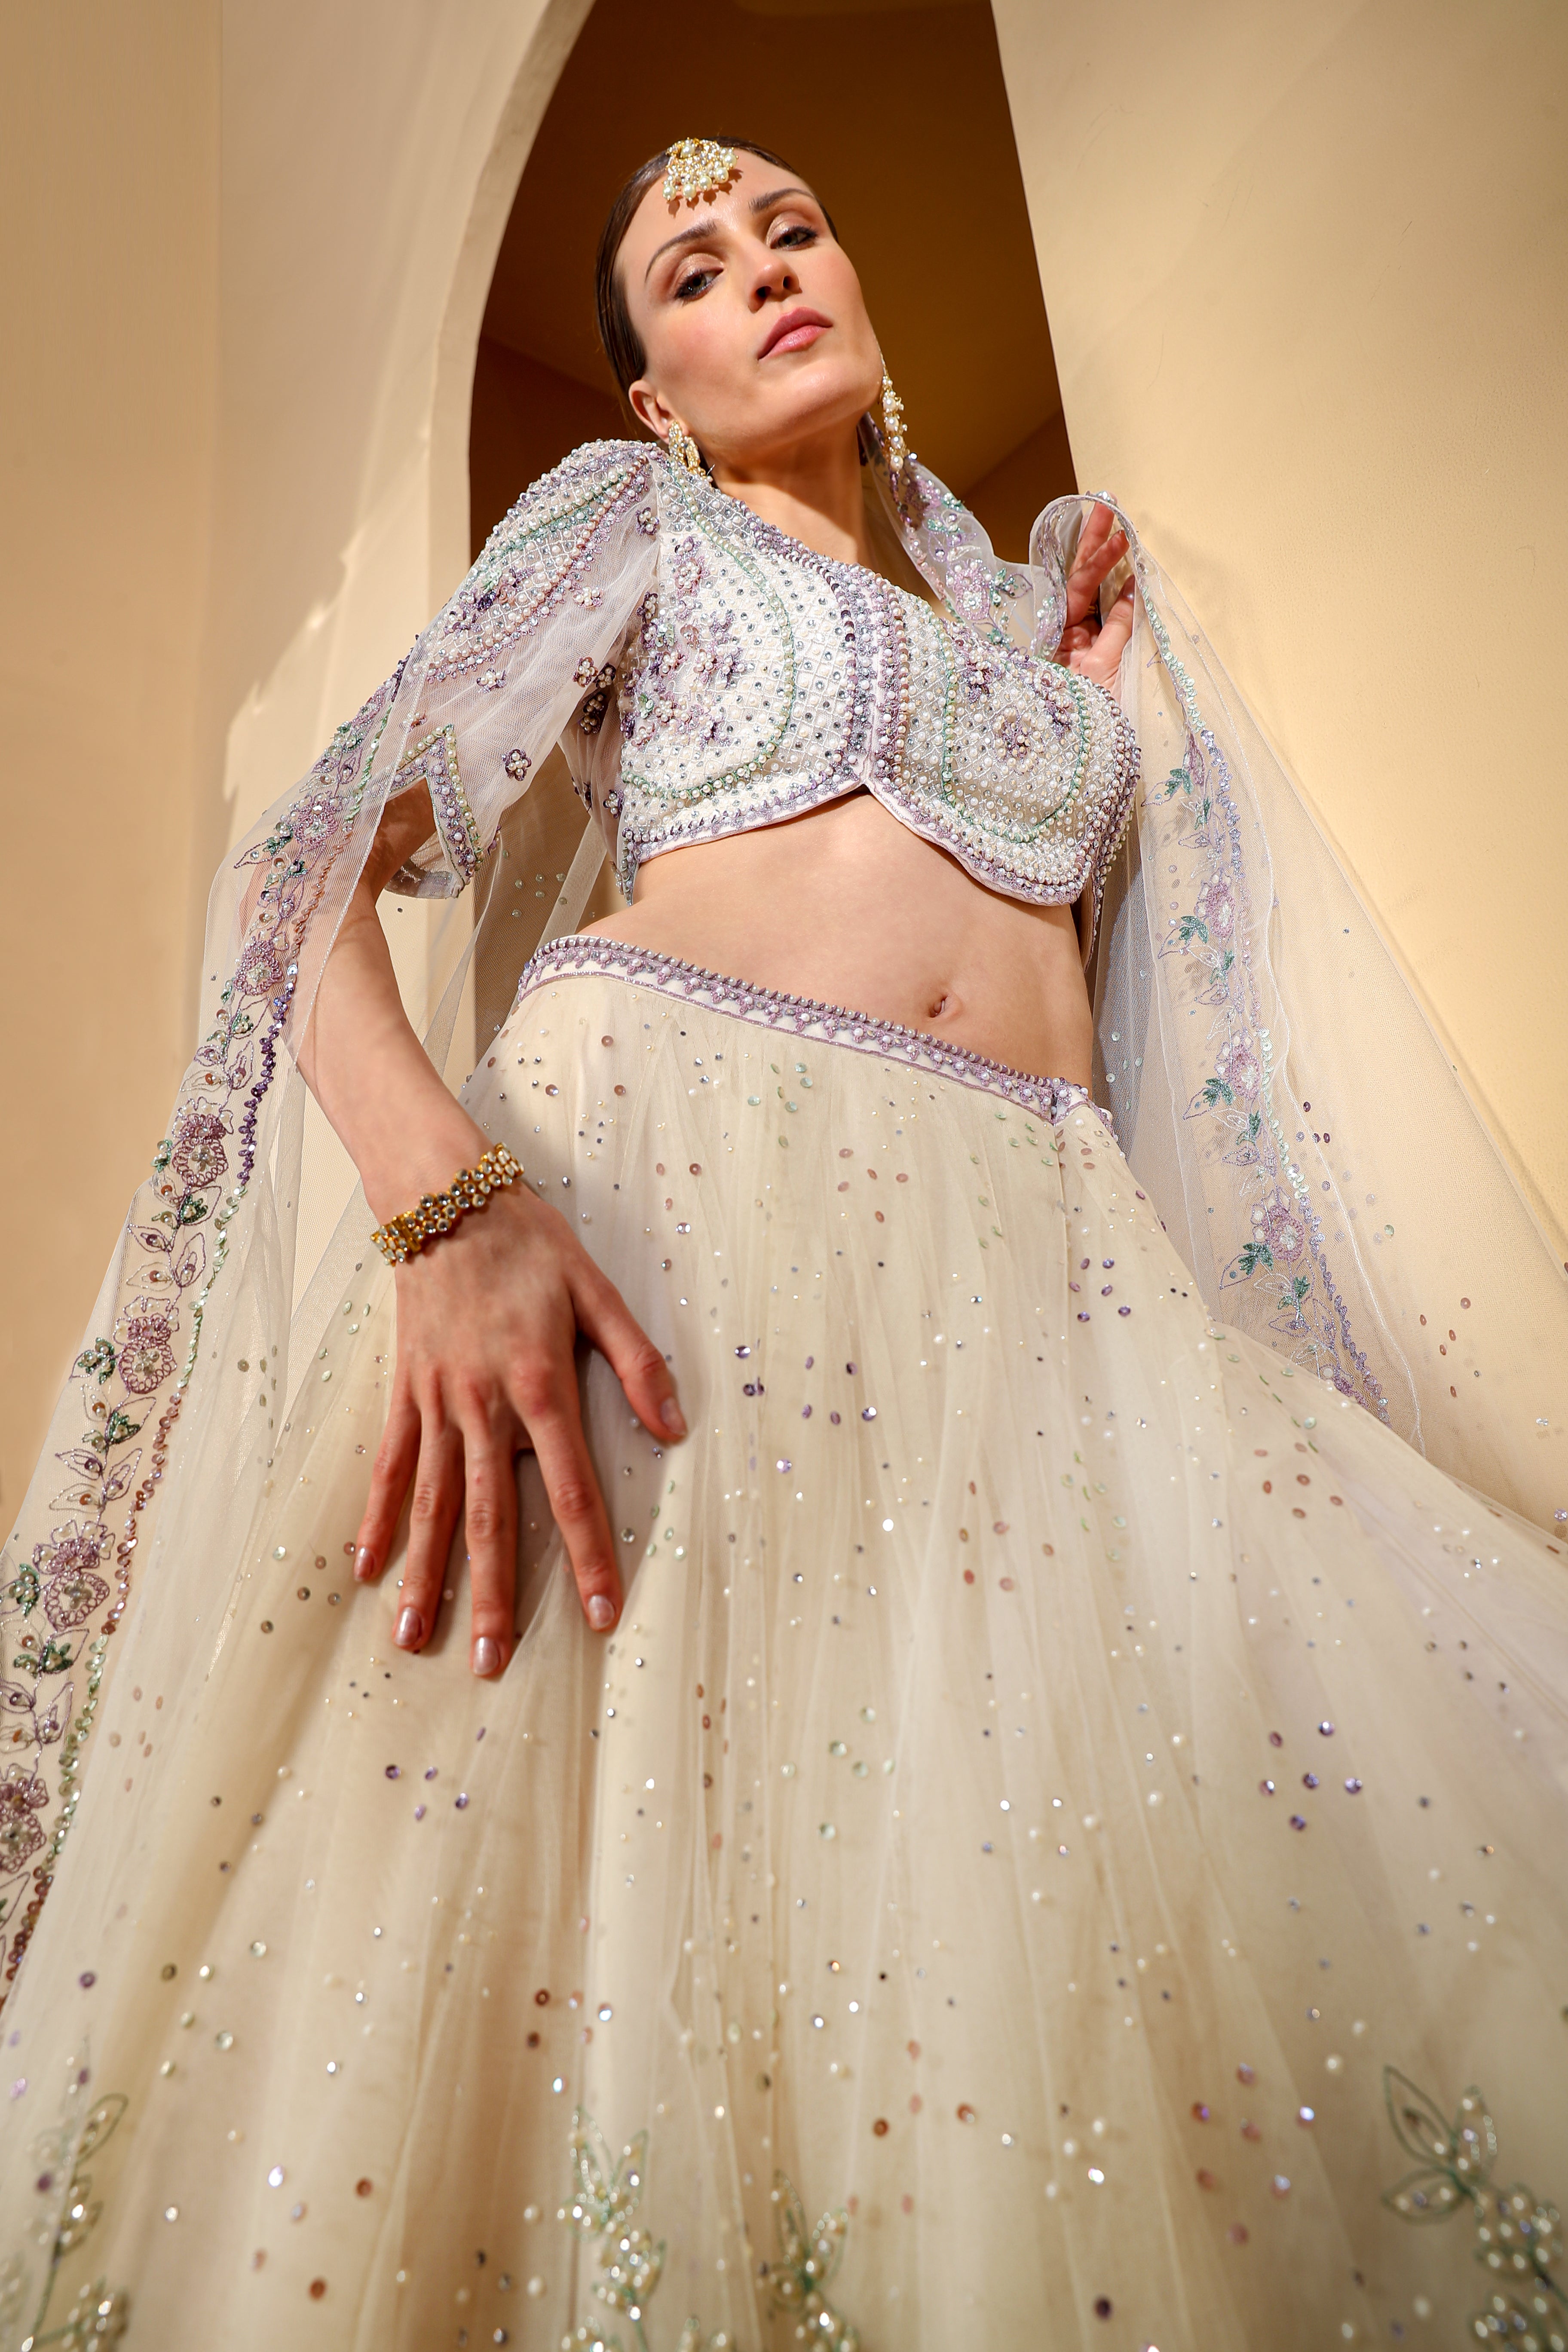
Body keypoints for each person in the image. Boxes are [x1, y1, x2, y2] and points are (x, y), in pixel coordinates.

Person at [2, 135, 1565, 2352]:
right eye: (693, 269)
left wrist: (1083, 683)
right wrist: (444, 1207)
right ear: (657, 397)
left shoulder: (1027, 640)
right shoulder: (638, 527)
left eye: (792, 230)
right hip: (683, 1207)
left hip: (1047, 1272)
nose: (760, 269)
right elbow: (309, 862)